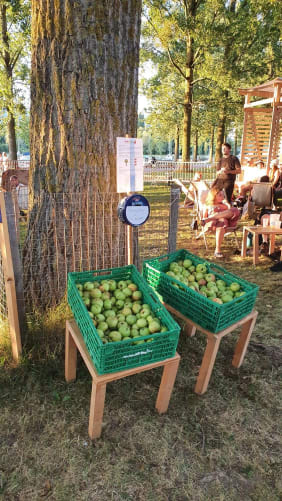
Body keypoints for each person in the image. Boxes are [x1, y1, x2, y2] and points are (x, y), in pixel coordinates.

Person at [200, 186, 240, 258]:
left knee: (234, 210)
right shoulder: (208, 205)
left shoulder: (224, 205)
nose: (222, 197)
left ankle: (212, 217)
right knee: (221, 222)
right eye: (220, 195)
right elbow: (204, 219)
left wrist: (227, 205)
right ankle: (217, 249)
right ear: (213, 196)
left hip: (224, 223)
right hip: (213, 224)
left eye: (223, 195)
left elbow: (231, 214)